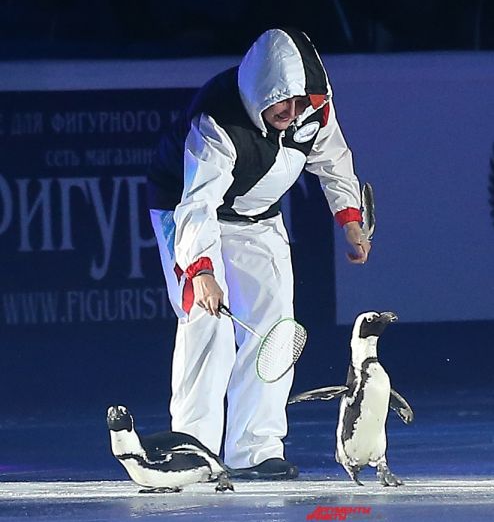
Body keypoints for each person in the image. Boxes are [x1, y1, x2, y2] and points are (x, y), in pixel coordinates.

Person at [146, 27, 371, 480]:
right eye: (281, 103)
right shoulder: (216, 123)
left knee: (275, 329)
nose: (292, 113)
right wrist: (202, 269)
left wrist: (349, 218)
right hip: (185, 210)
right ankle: (193, 445)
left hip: (258, 217)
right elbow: (198, 204)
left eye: (299, 102)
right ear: (258, 94)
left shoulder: (313, 110)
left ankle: (256, 447)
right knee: (205, 319)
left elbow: (332, 159)